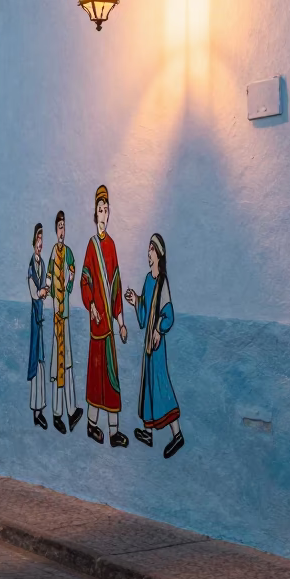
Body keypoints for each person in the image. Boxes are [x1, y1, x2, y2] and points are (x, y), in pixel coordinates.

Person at [125, 233, 184, 459]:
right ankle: (148, 432)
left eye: (151, 248)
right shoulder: (148, 280)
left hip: (157, 344)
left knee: (161, 387)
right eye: (148, 248)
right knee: (148, 386)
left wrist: (159, 329)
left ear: (158, 253)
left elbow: (167, 313)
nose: (147, 253)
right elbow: (144, 310)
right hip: (149, 343)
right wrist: (135, 301)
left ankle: (177, 434)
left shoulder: (162, 282)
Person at [80, 184, 129, 448]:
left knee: (111, 378)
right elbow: (85, 281)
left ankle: (113, 432)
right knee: (95, 376)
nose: (103, 213)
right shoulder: (91, 246)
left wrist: (120, 322)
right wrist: (92, 306)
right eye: (100, 209)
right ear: (95, 214)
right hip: (96, 325)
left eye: (106, 209)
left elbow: (117, 287)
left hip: (109, 326)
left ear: (109, 214)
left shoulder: (111, 246)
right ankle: (91, 425)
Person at [45, 211, 84, 434]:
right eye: (59, 226)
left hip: (65, 316)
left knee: (66, 364)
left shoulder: (68, 253)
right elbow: (50, 276)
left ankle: (69, 410)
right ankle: (60, 412)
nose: (62, 230)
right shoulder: (54, 252)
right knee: (60, 364)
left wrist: (70, 278)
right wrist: (48, 289)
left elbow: (72, 272)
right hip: (58, 316)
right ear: (56, 229)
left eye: (64, 226)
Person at [27, 224, 49, 429]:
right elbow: (35, 293)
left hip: (41, 319)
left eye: (42, 240)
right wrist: (43, 292)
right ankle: (36, 410)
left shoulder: (42, 264)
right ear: (33, 242)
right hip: (36, 318)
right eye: (38, 240)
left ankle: (40, 409)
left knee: (41, 363)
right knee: (37, 362)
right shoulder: (32, 267)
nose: (40, 243)